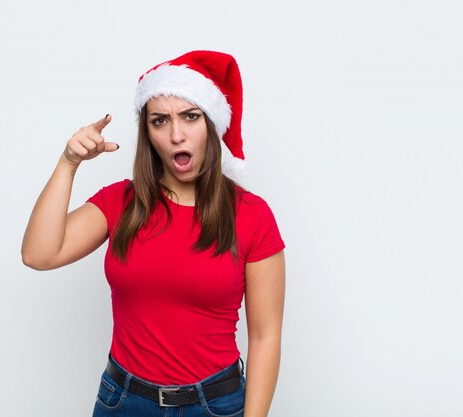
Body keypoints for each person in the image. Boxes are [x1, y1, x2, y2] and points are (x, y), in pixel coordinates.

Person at [21, 50, 286, 417]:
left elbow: (265, 336)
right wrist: (69, 163)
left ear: (210, 123)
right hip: (124, 401)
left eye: (190, 117)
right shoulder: (120, 202)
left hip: (215, 405)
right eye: (160, 121)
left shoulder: (252, 215)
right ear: (147, 132)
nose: (176, 135)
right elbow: (38, 254)